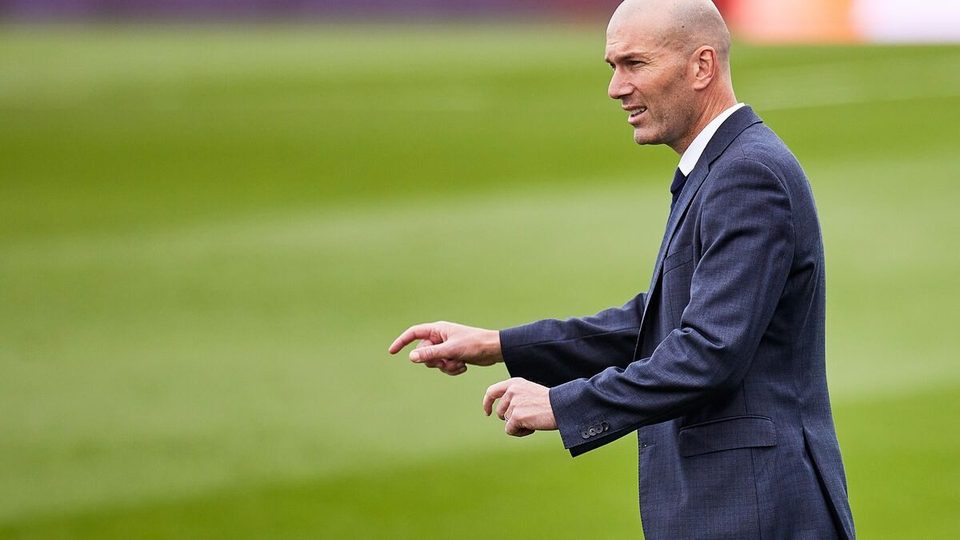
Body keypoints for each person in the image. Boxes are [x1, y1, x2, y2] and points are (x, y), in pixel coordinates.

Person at [388, 0, 856, 537]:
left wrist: (564, 405)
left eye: (635, 64)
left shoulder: (746, 174)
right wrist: (498, 344)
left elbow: (709, 351)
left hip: (755, 510)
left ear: (701, 66)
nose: (615, 88)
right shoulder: (723, 167)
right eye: (613, 67)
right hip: (741, 505)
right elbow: (657, 321)